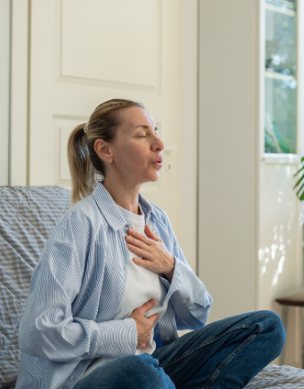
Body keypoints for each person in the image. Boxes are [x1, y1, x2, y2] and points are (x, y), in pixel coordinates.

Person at [17, 99, 285, 389]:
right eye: (143, 135)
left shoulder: (157, 221)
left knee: (267, 327)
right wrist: (126, 333)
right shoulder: (80, 224)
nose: (159, 143)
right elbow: (38, 331)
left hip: (156, 365)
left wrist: (171, 267)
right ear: (105, 150)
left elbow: (197, 314)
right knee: (140, 369)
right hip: (89, 377)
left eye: (156, 131)